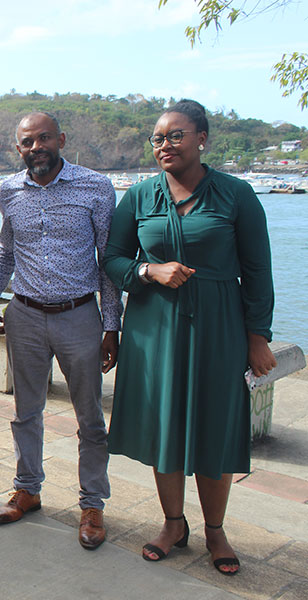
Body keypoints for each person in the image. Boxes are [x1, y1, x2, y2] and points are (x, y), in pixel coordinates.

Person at [103, 99, 275, 575]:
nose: (165, 145)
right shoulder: (139, 196)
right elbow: (113, 259)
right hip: (154, 328)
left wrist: (258, 337)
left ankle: (215, 530)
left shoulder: (237, 195)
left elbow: (259, 271)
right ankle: (173, 523)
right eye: (158, 138)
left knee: (215, 425)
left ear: (202, 138)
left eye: (176, 135)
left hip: (219, 325)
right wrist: (149, 270)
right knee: (165, 423)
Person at [0, 112, 122, 549]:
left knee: (90, 417)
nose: (36, 147)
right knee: (26, 411)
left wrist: (111, 325)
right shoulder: (9, 190)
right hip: (23, 315)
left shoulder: (96, 187)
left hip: (79, 315)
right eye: (27, 141)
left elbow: (109, 263)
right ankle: (28, 488)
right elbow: (5, 252)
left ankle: (92, 503)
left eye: (44, 138)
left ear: (60, 139)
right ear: (18, 148)